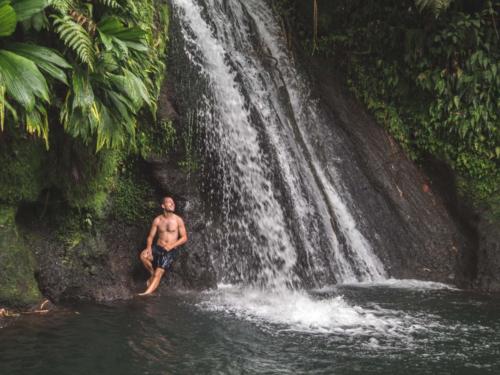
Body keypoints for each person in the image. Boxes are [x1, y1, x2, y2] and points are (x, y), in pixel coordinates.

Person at [138, 196, 187, 296]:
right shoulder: (158, 220)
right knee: (143, 256)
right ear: (163, 206)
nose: (172, 204)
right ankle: (151, 274)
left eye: (173, 202)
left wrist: (172, 245)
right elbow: (150, 237)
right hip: (158, 247)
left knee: (159, 272)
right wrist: (149, 249)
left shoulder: (178, 220)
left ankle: (146, 293)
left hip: (170, 250)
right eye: (169, 202)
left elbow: (184, 238)